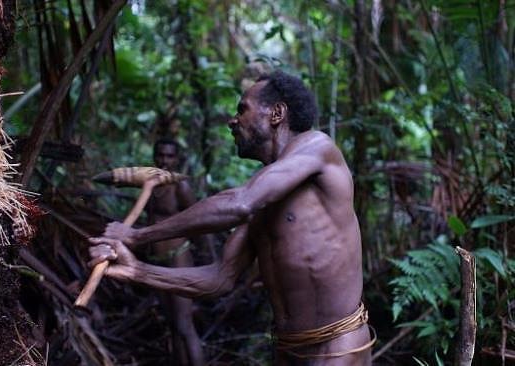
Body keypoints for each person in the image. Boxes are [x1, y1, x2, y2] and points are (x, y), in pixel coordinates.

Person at [89, 70, 374, 365]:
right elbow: (219, 278)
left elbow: (239, 202)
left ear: (276, 113)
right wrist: (137, 270)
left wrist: (137, 236)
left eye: (242, 109)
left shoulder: (318, 147)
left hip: (337, 350)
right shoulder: (267, 192)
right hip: (289, 353)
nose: (232, 120)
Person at [144, 138, 205, 365]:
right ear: (154, 156)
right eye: (161, 155)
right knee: (172, 326)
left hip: (178, 257)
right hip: (156, 260)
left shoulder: (181, 186)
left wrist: (209, 257)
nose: (164, 160)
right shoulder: (148, 184)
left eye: (170, 156)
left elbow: (200, 220)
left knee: (184, 325)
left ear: (176, 159)